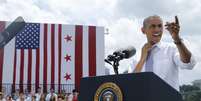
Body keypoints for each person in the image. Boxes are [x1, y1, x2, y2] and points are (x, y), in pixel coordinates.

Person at [132, 15, 196, 91]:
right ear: (143, 30)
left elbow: (188, 64)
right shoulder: (137, 56)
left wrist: (177, 39)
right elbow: (132, 82)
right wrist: (142, 59)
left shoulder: (171, 49)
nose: (157, 30)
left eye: (160, 26)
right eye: (152, 26)